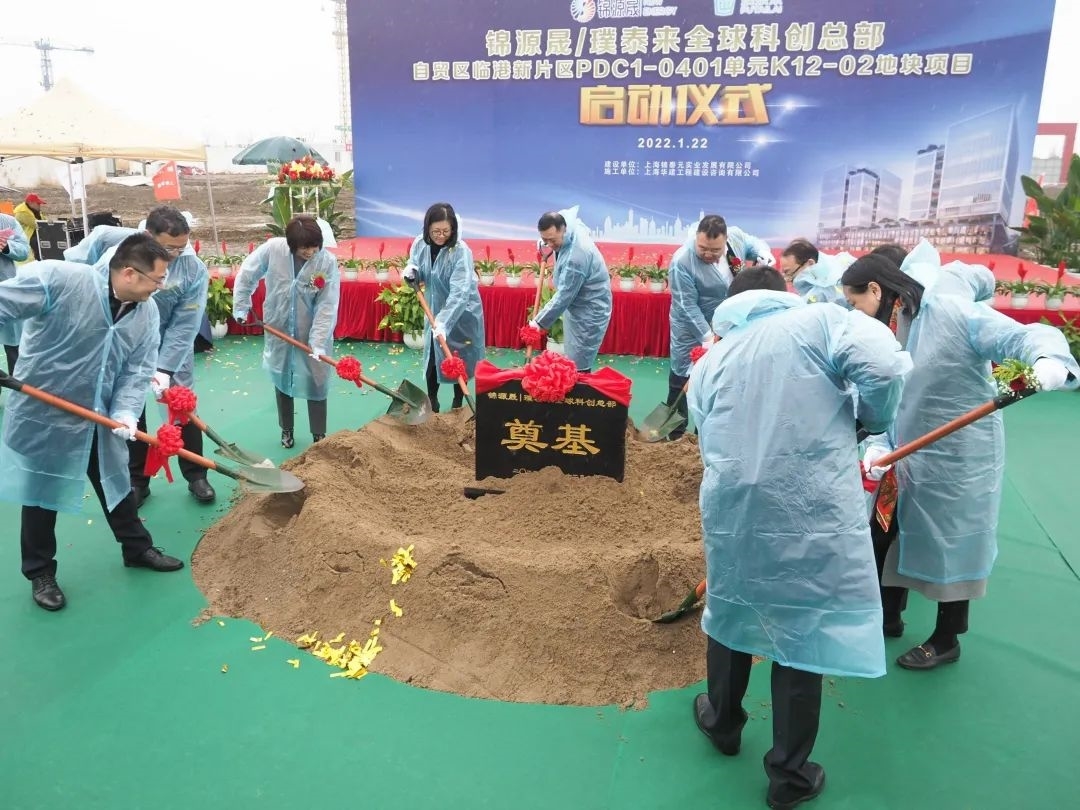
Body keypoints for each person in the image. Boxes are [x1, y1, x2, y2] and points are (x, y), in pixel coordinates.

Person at [688, 265, 911, 810]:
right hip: (808, 503)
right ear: (781, 295)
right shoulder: (820, 323)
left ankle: (722, 722)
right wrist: (868, 420)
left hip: (733, 507)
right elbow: (884, 364)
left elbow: (705, 433)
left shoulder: (712, 359)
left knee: (731, 605)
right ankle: (788, 775)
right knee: (801, 621)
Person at [842, 251, 1078, 669]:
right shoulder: (889, 327)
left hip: (959, 456)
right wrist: (878, 442)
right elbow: (884, 391)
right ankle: (888, 615)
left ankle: (947, 637)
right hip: (905, 449)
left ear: (876, 291)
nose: (852, 312)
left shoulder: (951, 312)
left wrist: (1049, 361)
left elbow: (1023, 337)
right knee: (887, 530)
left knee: (954, 542)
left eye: (854, 302)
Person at [0, 234, 186, 612]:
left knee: (114, 481)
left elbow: (137, 369)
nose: (160, 287)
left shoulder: (146, 312)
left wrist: (125, 412)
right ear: (130, 274)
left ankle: (137, 549)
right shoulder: (59, 279)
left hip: (100, 413)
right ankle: (40, 571)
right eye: (157, 279)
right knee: (41, 492)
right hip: (47, 412)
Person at [65, 206, 214, 505]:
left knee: (182, 406)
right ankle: (137, 480)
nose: (176, 255)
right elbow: (97, 301)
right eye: (169, 248)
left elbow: (186, 322)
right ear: (148, 235)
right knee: (130, 411)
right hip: (125, 343)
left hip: (170, 345)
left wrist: (165, 368)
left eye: (181, 247)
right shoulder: (119, 260)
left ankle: (196, 474)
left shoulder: (193, 268)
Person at [233, 215, 341, 448]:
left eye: (314, 247)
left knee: (317, 381)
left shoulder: (326, 262)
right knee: (283, 379)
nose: (310, 252)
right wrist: (241, 305)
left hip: (310, 332)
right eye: (304, 248)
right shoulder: (273, 250)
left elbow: (327, 304)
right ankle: (287, 429)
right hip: (278, 327)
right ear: (292, 245)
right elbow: (247, 274)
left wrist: (318, 341)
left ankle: (319, 434)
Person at [666, 214, 772, 437]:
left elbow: (753, 244)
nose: (708, 254)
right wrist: (708, 337)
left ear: (725, 240)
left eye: (715, 250)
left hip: (728, 324)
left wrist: (764, 252)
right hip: (691, 328)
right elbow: (686, 306)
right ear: (696, 237)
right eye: (703, 248)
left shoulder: (735, 238)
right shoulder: (682, 261)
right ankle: (675, 432)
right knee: (682, 376)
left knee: (716, 378)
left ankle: (702, 433)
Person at [401, 203, 485, 412]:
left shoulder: (461, 252)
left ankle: (458, 403)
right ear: (427, 228)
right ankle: (432, 400)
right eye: (435, 231)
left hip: (462, 312)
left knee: (459, 356)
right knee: (432, 356)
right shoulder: (420, 244)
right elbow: (417, 266)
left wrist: (444, 322)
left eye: (445, 231)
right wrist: (412, 271)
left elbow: (460, 293)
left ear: (453, 229)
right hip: (434, 308)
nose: (440, 236)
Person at [531, 206, 612, 372]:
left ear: (563, 229)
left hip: (589, 310)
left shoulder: (577, 256)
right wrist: (547, 241)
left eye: (552, 240)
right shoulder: (569, 226)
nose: (549, 245)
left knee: (579, 363)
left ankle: (582, 386)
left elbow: (564, 296)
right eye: (545, 240)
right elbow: (553, 236)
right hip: (577, 306)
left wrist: (538, 323)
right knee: (572, 356)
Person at [0, 212, 32, 376]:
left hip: (6, 292)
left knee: (14, 347)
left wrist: (6, 246)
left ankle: (17, 384)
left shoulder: (8, 221)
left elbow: (23, 251)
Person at [779, 239, 851, 307]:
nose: (787, 278)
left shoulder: (831, 289)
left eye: (788, 272)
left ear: (810, 263)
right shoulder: (816, 282)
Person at [13, 193, 45, 263]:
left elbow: (43, 221)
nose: (39, 205)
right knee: (37, 243)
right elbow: (38, 225)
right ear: (30, 202)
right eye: (38, 204)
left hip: (33, 234)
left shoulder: (33, 210)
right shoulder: (22, 212)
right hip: (26, 237)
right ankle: (39, 261)